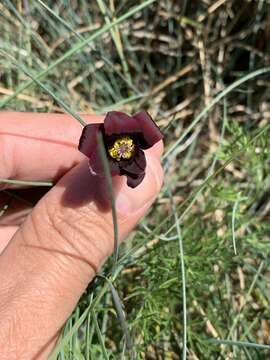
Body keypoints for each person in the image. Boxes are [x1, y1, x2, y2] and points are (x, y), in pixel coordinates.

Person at [0, 112, 163, 359]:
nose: (123, 148)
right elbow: (99, 162)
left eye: (127, 146)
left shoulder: (130, 148)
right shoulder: (100, 149)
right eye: (121, 145)